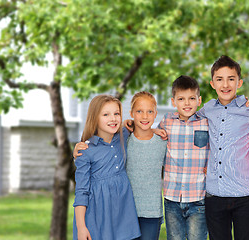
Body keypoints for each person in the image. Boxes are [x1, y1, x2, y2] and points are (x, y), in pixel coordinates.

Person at [197, 55, 249, 240]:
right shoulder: (207, 109)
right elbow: (187, 121)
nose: (225, 84)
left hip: (244, 195)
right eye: (219, 79)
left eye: (231, 79)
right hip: (215, 194)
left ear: (239, 83)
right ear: (212, 83)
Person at [73, 94, 141, 240]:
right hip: (97, 216)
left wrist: (155, 131)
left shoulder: (123, 135)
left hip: (122, 211)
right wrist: (81, 227)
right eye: (106, 114)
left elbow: (143, 127)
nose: (113, 118)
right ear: (94, 118)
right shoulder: (85, 150)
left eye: (116, 113)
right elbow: (81, 192)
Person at [158, 75, 209, 240]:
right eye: (181, 99)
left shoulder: (206, 123)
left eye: (191, 98)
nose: (187, 103)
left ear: (199, 100)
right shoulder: (167, 121)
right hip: (172, 198)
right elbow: (151, 135)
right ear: (173, 102)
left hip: (198, 198)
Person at [126, 91, 167, 240]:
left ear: (155, 113)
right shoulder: (125, 142)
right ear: (131, 113)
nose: (145, 116)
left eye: (150, 111)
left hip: (152, 212)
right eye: (139, 111)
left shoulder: (162, 142)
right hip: (127, 211)